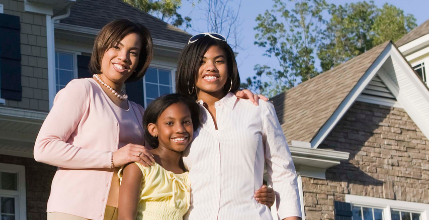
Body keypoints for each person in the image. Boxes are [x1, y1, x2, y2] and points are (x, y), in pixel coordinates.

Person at [33, 19, 275, 220]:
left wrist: (232, 96)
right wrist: (111, 158)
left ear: (139, 61)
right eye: (116, 47)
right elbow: (43, 148)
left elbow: (175, 156)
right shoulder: (83, 89)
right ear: (102, 49)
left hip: (117, 213)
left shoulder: (138, 111)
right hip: (75, 208)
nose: (123, 57)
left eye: (133, 53)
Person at [176, 32, 302, 220]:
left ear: (230, 67)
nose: (211, 67)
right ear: (189, 67)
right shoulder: (179, 118)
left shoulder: (258, 109)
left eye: (219, 61)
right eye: (202, 61)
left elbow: (283, 172)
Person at [114, 94, 199, 220]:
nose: (180, 129)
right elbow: (125, 218)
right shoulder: (140, 165)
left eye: (186, 122)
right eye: (170, 123)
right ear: (153, 129)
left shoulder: (190, 172)